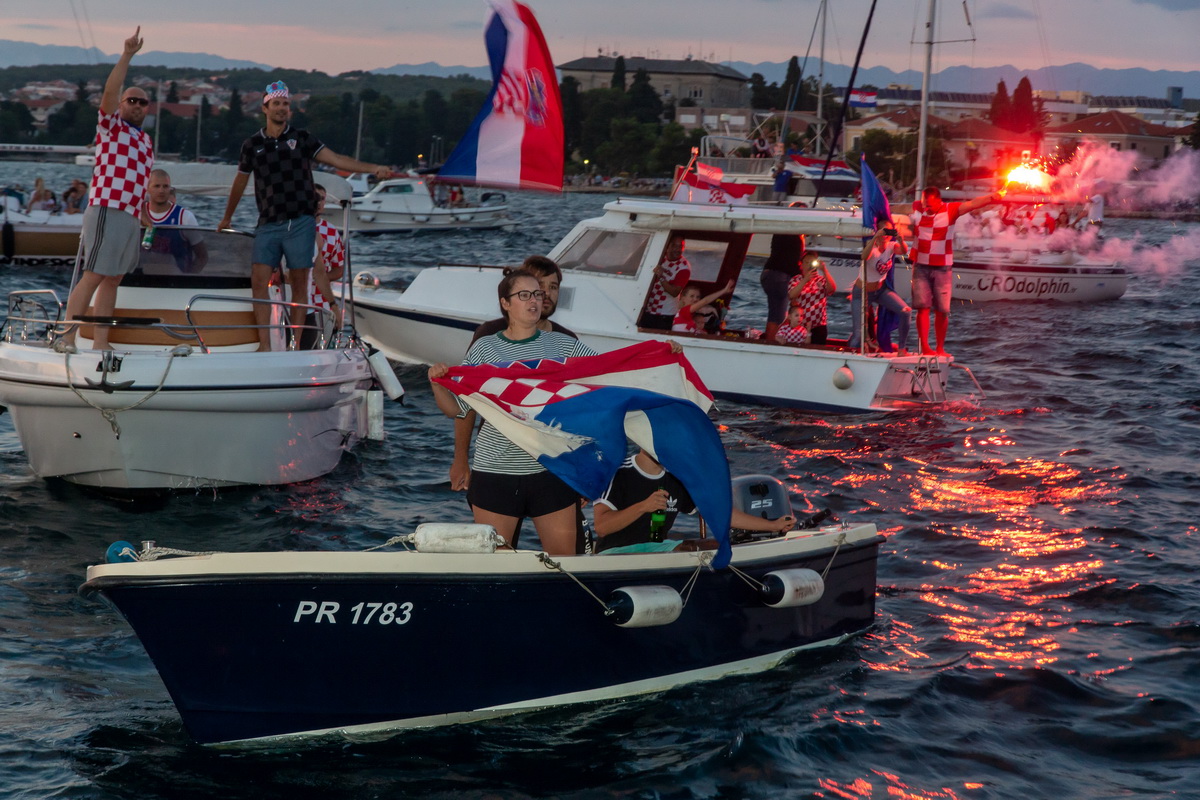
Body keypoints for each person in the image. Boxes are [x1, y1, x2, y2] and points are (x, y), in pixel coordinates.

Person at [428, 269, 598, 556]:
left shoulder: (564, 345)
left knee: (566, 566)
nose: (534, 301)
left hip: (551, 468)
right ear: (505, 303)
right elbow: (457, 410)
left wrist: (660, 352)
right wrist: (436, 383)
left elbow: (610, 373)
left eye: (538, 294)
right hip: (496, 472)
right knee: (499, 567)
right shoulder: (485, 349)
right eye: (524, 295)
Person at [217, 79, 392, 351]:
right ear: (265, 108)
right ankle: (264, 343)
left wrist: (373, 167)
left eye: (286, 104)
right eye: (276, 104)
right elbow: (240, 182)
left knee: (300, 285)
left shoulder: (302, 139)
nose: (282, 108)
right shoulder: (252, 145)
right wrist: (227, 217)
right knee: (258, 282)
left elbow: (337, 160)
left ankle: (296, 345)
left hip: (300, 222)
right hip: (269, 223)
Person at [57, 28, 154, 352]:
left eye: (143, 102)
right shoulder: (111, 126)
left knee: (113, 278)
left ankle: (100, 342)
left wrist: (143, 214)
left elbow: (141, 180)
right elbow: (110, 93)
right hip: (106, 208)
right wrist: (126, 55)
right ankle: (66, 337)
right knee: (94, 274)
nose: (138, 105)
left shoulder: (144, 140)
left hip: (129, 216)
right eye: (132, 100)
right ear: (123, 104)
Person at [592, 449, 796, 553]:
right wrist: (643, 507)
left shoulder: (676, 478)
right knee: (689, 549)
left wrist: (772, 525)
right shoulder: (618, 472)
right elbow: (602, 527)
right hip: (614, 553)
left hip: (657, 550)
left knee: (724, 545)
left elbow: (718, 513)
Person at [899, 186, 1000, 356]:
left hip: (943, 266)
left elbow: (973, 204)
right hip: (920, 265)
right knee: (922, 308)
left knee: (943, 311)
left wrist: (992, 197)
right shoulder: (919, 207)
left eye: (929, 205)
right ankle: (924, 347)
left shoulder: (950, 210)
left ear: (939, 200)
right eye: (924, 204)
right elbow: (900, 209)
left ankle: (939, 348)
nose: (926, 208)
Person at [849, 227, 911, 353]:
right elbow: (864, 257)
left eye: (888, 232)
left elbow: (903, 251)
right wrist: (875, 238)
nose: (885, 235)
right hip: (862, 292)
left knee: (906, 311)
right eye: (884, 231)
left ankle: (901, 348)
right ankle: (849, 350)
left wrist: (900, 240)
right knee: (858, 334)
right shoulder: (872, 247)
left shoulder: (891, 246)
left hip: (880, 290)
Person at [299, 184, 346, 349]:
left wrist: (317, 278)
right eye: (315, 198)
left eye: (322, 199)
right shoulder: (295, 227)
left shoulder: (332, 232)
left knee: (321, 346)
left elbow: (339, 269)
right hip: (296, 296)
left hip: (322, 299)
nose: (319, 203)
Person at [141, 168, 208, 273]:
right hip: (141, 280)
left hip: (176, 281)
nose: (161, 190)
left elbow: (202, 256)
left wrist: (189, 279)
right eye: (157, 186)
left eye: (165, 186)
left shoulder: (185, 217)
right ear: (147, 189)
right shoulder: (138, 214)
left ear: (170, 189)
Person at [759, 234, 803, 342]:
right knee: (779, 317)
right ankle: (772, 344)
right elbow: (793, 261)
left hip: (768, 273)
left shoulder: (780, 233)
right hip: (781, 276)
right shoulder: (796, 238)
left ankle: (771, 342)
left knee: (775, 313)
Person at [787, 252, 837, 345]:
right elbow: (792, 295)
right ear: (801, 265)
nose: (809, 265)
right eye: (806, 262)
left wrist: (824, 270)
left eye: (812, 262)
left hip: (818, 326)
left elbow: (832, 289)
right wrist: (805, 280)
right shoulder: (795, 279)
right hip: (799, 325)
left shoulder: (821, 280)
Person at [640, 238, 690, 330]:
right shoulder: (660, 257)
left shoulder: (683, 268)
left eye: (680, 246)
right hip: (648, 309)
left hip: (665, 314)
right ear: (667, 246)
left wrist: (661, 277)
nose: (678, 249)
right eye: (674, 245)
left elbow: (674, 292)